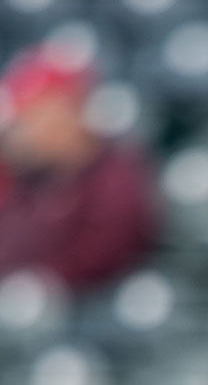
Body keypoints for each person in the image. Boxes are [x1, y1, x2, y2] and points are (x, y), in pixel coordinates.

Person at [0, 45, 159, 290]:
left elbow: (105, 252)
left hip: (96, 309)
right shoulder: (28, 176)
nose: (24, 131)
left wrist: (41, 280)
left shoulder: (116, 176)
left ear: (70, 110)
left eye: (33, 115)